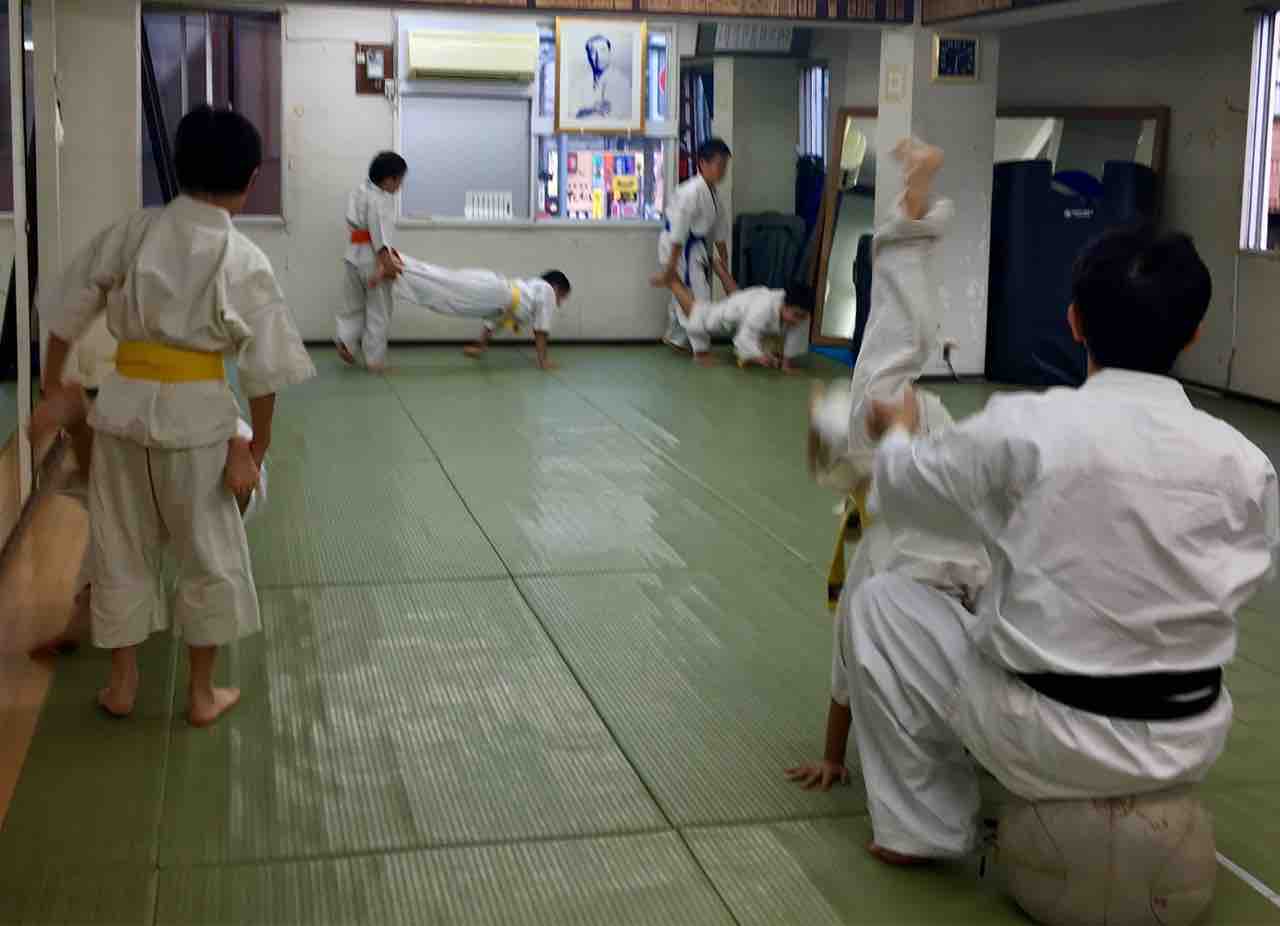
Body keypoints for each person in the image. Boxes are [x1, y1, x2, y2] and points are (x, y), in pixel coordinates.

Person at [792, 220, 1279, 864]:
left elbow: (902, 493)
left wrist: (903, 431)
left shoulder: (1025, 430)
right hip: (1184, 744)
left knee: (882, 603)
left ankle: (922, 829)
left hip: (1045, 739)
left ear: (1074, 322)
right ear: (1194, 333)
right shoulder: (1247, 465)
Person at [33, 104, 315, 727]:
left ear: (179, 168)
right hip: (197, 423)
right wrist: (255, 450)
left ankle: (122, 684)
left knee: (119, 547)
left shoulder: (133, 231)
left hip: (121, 410)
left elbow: (68, 302)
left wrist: (54, 383)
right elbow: (265, 368)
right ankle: (201, 693)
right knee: (208, 553)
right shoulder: (242, 256)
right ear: (250, 182)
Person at [802, 138, 988, 611]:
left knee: (897, 346)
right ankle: (911, 207)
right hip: (920, 469)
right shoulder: (887, 450)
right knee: (899, 342)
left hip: (909, 468)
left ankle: (912, 205)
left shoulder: (871, 444)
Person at [381, 254, 571, 371]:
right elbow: (541, 330)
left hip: (495, 294)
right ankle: (399, 265)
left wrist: (481, 346)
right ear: (556, 287)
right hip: (496, 291)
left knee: (447, 297)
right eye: (562, 296)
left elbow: (496, 321)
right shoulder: (547, 291)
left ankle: (401, 271)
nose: (560, 302)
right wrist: (543, 361)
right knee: (448, 286)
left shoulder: (528, 293)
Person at [654, 258, 812, 371]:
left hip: (749, 300)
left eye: (802, 316)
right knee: (699, 315)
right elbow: (744, 337)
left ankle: (721, 270)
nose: (797, 320)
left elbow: (796, 334)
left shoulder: (800, 311)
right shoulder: (763, 309)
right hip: (739, 309)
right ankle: (672, 281)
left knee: (739, 297)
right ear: (784, 303)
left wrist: (786, 363)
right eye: (795, 315)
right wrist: (758, 356)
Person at [655, 139, 732, 353]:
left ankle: (676, 337)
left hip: (692, 247)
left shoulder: (714, 194)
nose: (723, 170)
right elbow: (679, 233)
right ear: (703, 164)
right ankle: (701, 350)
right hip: (676, 246)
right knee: (697, 297)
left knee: (687, 294)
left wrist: (724, 262)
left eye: (725, 165)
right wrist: (671, 267)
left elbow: (720, 230)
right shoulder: (690, 191)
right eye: (719, 164)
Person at [336, 151, 408, 373]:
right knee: (379, 310)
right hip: (373, 260)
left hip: (353, 256)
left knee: (352, 305)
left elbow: (355, 223)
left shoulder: (359, 191)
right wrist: (387, 265)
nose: (400, 186)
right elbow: (381, 237)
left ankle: (346, 342)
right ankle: (374, 361)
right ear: (388, 179)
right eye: (399, 180)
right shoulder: (381, 200)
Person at [573, 34, 633, 120]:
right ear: (588, 56)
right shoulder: (581, 83)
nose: (598, 56)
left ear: (610, 54)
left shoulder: (621, 81)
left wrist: (588, 110)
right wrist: (595, 109)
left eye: (602, 51)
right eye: (593, 52)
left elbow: (618, 117)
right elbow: (574, 114)